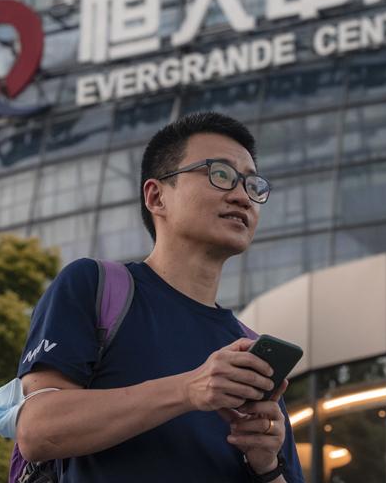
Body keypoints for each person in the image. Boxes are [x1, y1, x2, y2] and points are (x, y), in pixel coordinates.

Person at [15, 112, 305, 482]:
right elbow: (37, 431)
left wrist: (266, 466)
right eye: (220, 174)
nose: (241, 197)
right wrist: (188, 390)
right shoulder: (97, 287)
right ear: (156, 196)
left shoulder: (249, 352)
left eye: (253, 185)